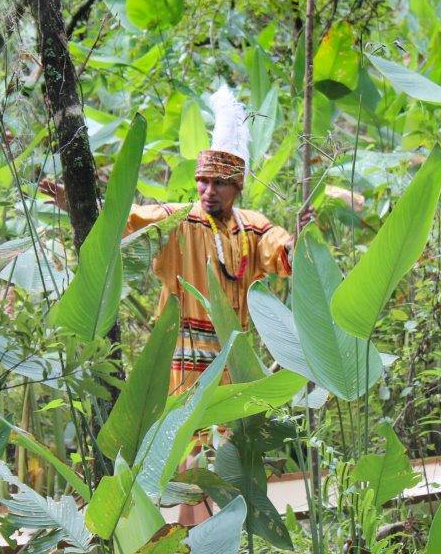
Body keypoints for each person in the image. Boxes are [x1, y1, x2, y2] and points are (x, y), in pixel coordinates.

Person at [41, 85, 312, 394]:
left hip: (233, 360)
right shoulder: (178, 219)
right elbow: (127, 218)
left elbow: (281, 250)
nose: (209, 191)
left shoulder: (252, 227)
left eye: (220, 184)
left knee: (229, 435)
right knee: (186, 437)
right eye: (204, 182)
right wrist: (76, 203)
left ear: (237, 188)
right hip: (182, 359)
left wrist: (299, 241)